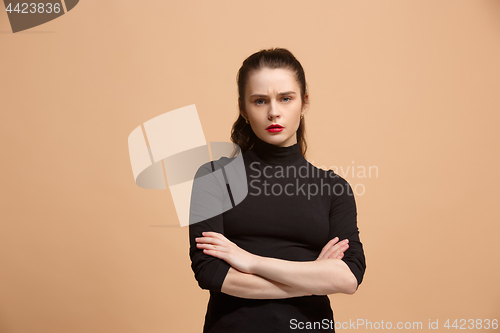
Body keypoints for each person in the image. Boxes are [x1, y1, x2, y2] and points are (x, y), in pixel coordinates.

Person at [188, 47, 366, 333]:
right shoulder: (214, 177)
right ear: (243, 108)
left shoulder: (334, 188)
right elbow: (211, 273)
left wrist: (249, 260)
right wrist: (310, 282)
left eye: (285, 98)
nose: (273, 112)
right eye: (260, 101)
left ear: (304, 102)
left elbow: (348, 278)